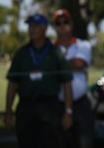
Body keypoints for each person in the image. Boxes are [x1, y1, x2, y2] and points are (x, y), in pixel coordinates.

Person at [5, 13, 73, 148]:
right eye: (30, 26)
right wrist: (8, 111)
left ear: (45, 29)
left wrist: (68, 111)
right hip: (26, 106)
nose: (32, 29)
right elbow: (12, 83)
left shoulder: (55, 52)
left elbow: (67, 82)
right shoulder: (22, 53)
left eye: (36, 26)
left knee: (52, 143)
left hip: (50, 106)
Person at [53, 8, 94, 148]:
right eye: (58, 23)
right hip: (58, 105)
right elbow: (73, 63)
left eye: (66, 21)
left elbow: (80, 63)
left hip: (81, 104)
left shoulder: (83, 44)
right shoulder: (51, 48)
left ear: (71, 24)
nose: (63, 25)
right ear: (55, 27)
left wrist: (56, 65)